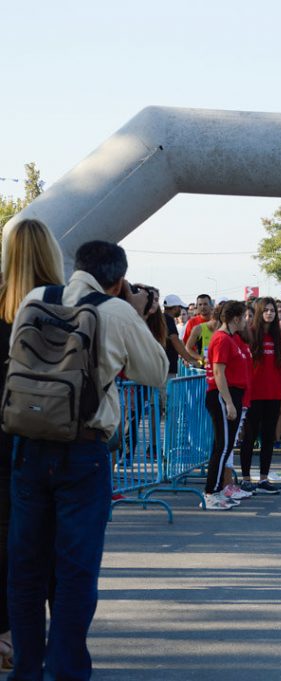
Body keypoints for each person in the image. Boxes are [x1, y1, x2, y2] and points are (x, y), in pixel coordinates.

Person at [8, 239, 167, 678]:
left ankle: (26, 670)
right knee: (76, 570)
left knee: (26, 569)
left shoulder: (36, 298)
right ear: (118, 279)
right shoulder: (115, 311)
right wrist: (139, 310)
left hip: (28, 446)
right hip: (82, 452)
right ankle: (67, 669)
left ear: (77, 266)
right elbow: (156, 371)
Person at [0, 219, 66, 671]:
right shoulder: (66, 307)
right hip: (51, 434)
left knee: (8, 540)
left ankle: (8, 638)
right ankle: (56, 643)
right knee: (56, 545)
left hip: (3, 437)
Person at [239, 297, 281, 494]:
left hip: (273, 393)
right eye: (266, 310)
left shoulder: (279, 336)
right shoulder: (249, 333)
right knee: (249, 437)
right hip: (253, 394)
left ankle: (263, 479)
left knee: (268, 438)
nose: (270, 313)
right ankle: (246, 478)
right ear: (260, 312)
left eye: (272, 310)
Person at [202, 301, 253, 509]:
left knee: (226, 445)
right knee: (222, 446)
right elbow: (218, 372)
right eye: (244, 317)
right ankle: (210, 492)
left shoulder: (232, 339)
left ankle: (218, 490)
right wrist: (229, 403)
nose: (246, 321)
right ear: (236, 318)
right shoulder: (222, 339)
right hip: (223, 396)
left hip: (232, 395)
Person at [183, 293, 213, 359]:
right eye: (200, 304)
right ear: (197, 306)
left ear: (211, 305)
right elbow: (185, 344)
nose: (203, 307)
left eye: (205, 304)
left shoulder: (217, 321)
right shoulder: (191, 322)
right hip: (198, 363)